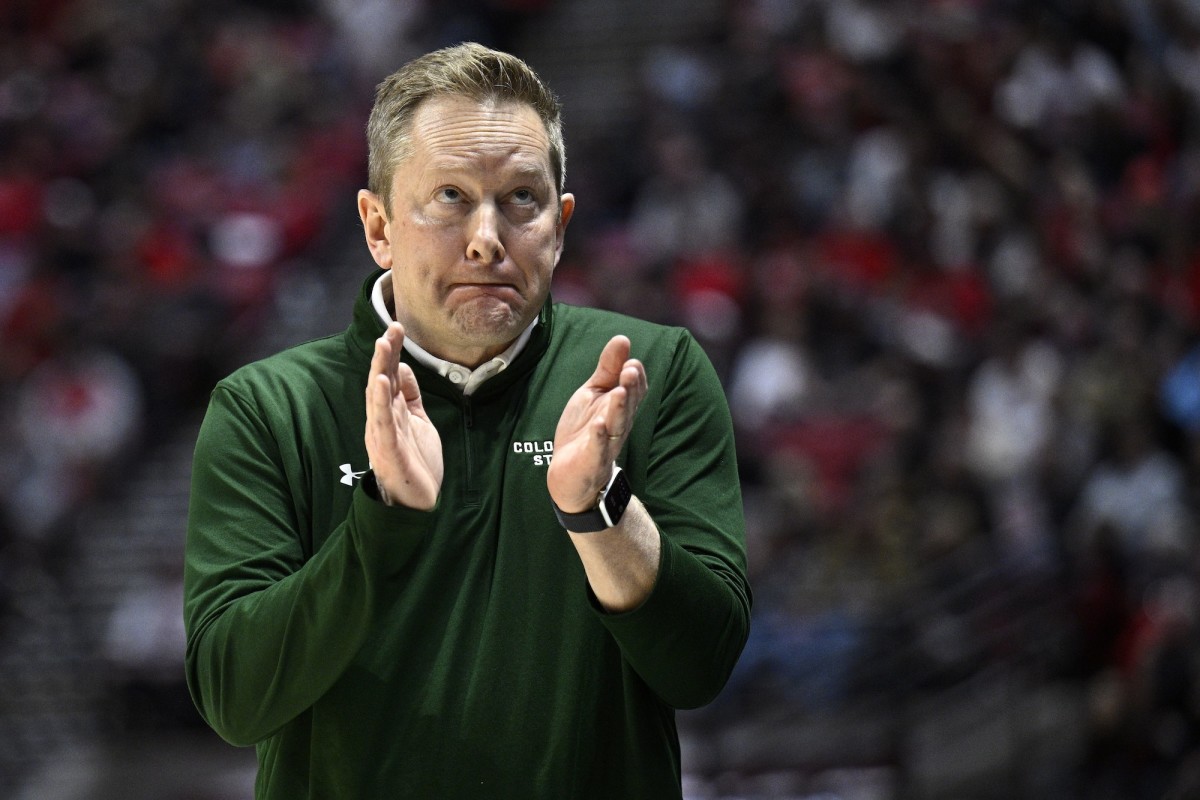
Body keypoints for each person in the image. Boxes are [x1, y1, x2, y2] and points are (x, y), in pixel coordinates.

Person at [183, 42, 751, 799]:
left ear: (560, 222)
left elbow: (701, 665)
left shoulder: (649, 373)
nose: (488, 236)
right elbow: (235, 697)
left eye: (522, 198)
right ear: (377, 225)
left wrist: (601, 511)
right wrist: (383, 520)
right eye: (450, 196)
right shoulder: (268, 409)